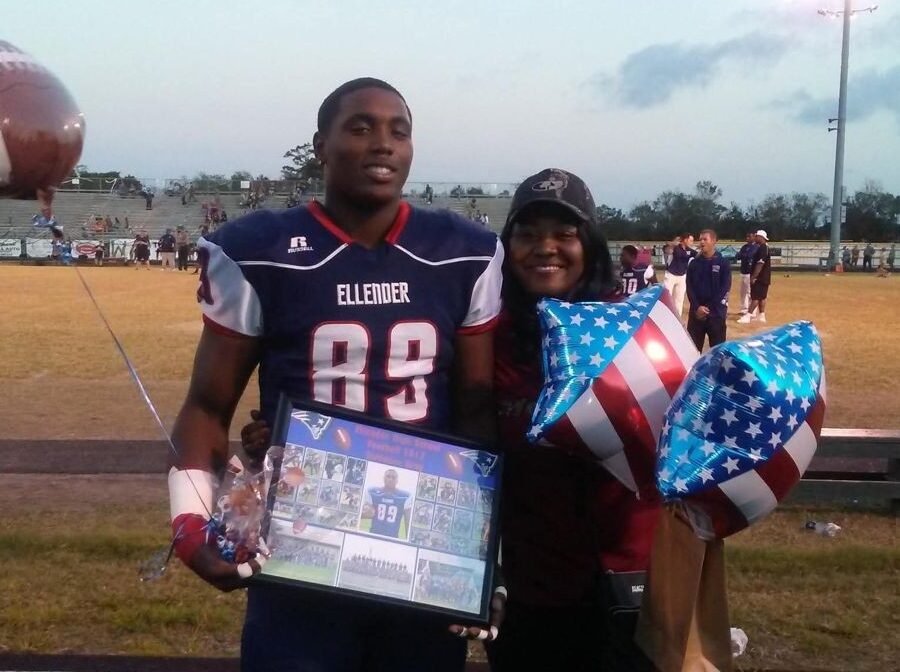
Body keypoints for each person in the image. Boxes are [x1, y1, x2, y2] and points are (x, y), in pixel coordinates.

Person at [168, 77, 505, 672]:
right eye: (360, 127)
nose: (383, 144)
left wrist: (485, 553)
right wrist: (190, 523)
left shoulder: (463, 251)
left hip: (424, 542)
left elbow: (476, 409)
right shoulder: (258, 249)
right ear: (320, 146)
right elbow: (207, 405)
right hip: (298, 537)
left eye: (398, 131)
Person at [489, 169, 658, 671]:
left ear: (590, 244)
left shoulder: (633, 328)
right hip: (529, 587)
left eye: (564, 234)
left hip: (628, 583)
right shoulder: (486, 336)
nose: (546, 247)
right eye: (528, 234)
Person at [686, 228, 731, 350]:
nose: (701, 242)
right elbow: (689, 287)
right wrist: (697, 307)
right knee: (692, 351)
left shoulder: (723, 264)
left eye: (705, 239)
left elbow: (724, 288)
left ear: (714, 241)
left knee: (717, 353)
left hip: (716, 315)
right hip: (696, 315)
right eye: (700, 239)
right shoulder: (694, 264)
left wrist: (707, 308)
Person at [362, 469, 412, 538]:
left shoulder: (405, 496)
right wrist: (366, 512)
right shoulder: (372, 492)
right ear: (383, 478)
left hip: (392, 538)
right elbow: (365, 513)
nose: (390, 479)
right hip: (373, 535)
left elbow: (408, 522)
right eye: (388, 476)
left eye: (393, 477)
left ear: (397, 480)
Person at [737, 229, 771, 324]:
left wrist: (754, 276)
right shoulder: (764, 247)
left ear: (761, 237)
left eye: (756, 236)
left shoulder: (763, 248)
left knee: (755, 297)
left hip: (760, 277)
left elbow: (760, 263)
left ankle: (748, 315)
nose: (755, 238)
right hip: (765, 277)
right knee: (762, 297)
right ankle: (761, 315)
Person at [662, 231, 696, 319]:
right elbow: (666, 249)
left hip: (682, 276)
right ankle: (664, 316)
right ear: (685, 240)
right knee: (666, 296)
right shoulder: (675, 248)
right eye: (690, 240)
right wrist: (674, 243)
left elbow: (697, 255)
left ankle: (677, 318)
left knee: (679, 299)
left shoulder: (689, 250)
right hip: (671, 275)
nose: (691, 243)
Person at [735, 232, 757, 313]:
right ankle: (744, 308)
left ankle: (752, 310)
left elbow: (750, 256)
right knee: (743, 292)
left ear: (754, 237)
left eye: (749, 237)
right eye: (747, 237)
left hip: (750, 272)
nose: (747, 238)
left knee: (750, 292)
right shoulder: (744, 247)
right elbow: (738, 256)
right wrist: (740, 254)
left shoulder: (756, 247)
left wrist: (744, 255)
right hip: (743, 271)